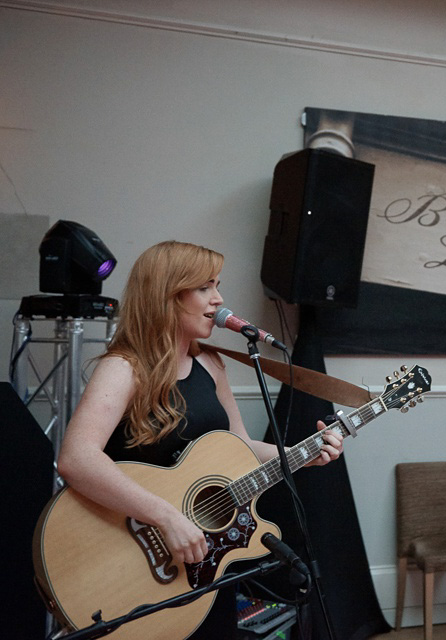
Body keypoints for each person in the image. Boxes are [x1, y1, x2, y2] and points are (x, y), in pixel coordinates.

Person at [56, 240, 344, 640]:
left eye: (218, 286)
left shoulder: (212, 365)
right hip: (129, 562)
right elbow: (76, 459)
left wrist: (300, 454)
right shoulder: (123, 369)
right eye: (205, 287)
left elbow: (240, 447)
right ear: (167, 295)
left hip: (204, 562)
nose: (219, 299)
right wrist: (167, 516)